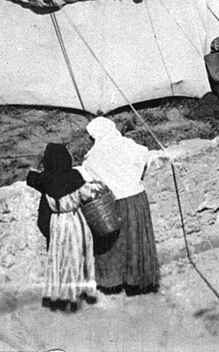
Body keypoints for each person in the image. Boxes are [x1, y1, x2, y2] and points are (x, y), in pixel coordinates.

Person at [78, 118, 160, 296]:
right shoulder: (126, 145)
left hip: (115, 203)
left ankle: (113, 281)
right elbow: (143, 153)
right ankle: (137, 280)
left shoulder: (93, 158)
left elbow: (87, 175)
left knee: (115, 243)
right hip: (136, 199)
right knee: (136, 239)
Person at [26, 143, 98, 312]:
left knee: (60, 258)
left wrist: (35, 164)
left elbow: (31, 178)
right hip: (75, 220)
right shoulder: (74, 175)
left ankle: (61, 295)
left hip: (57, 222)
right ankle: (80, 292)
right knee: (78, 256)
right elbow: (88, 195)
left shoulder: (45, 179)